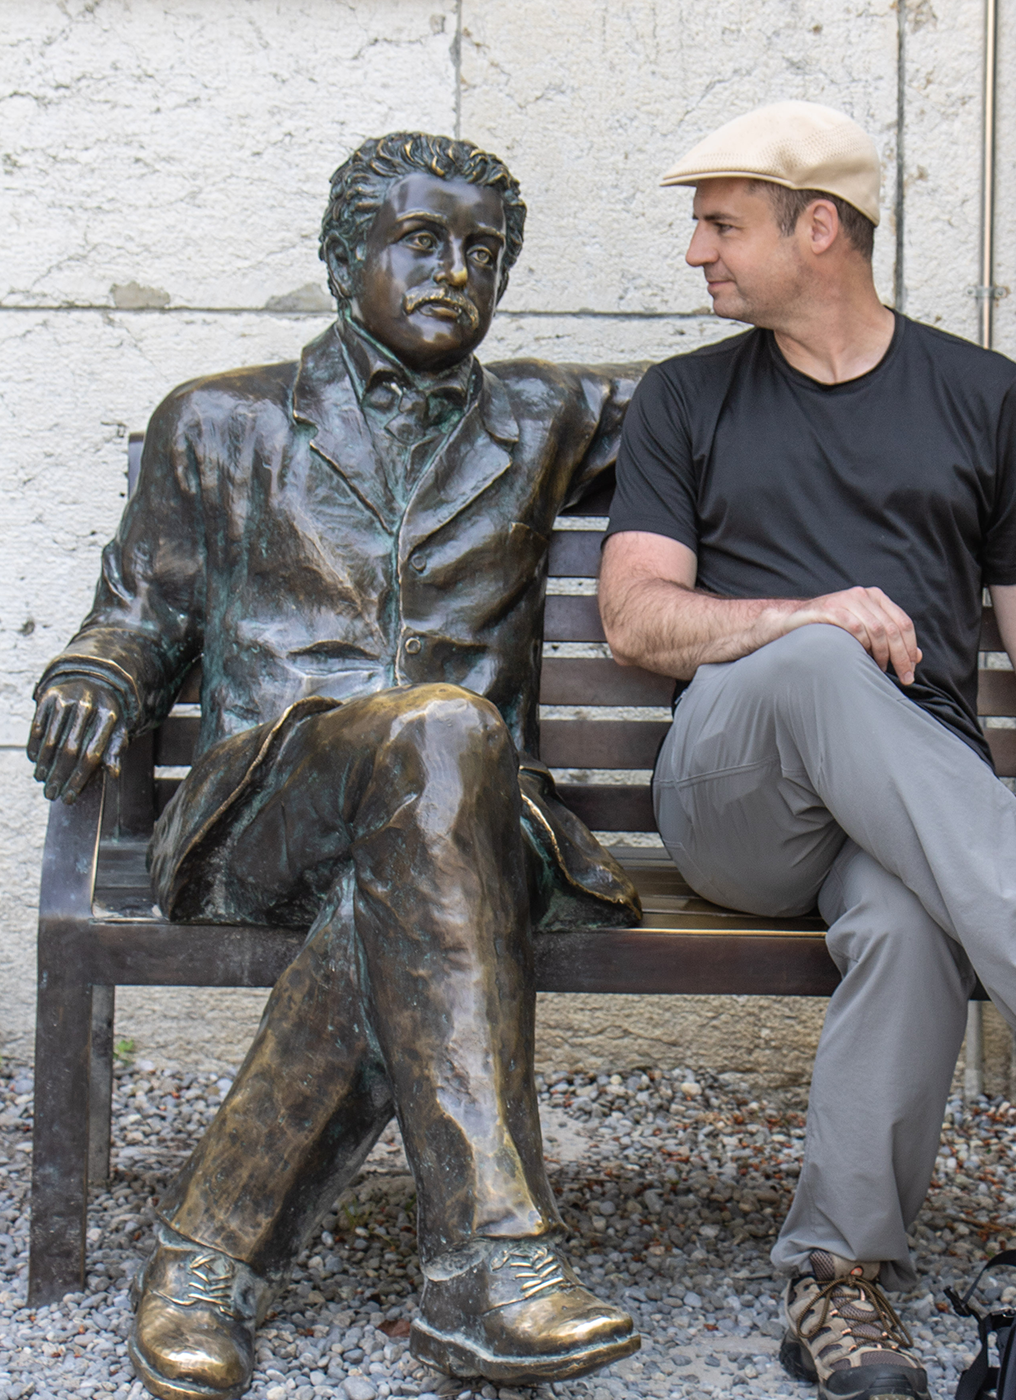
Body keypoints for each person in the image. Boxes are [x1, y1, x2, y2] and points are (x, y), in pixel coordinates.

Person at [597, 100, 1016, 1400]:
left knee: (911, 927)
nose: (695, 253)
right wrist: (797, 617)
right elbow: (635, 615)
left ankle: (836, 1282)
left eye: (719, 224)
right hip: (736, 796)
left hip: (898, 803)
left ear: (817, 228)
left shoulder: (981, 398)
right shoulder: (685, 399)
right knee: (818, 660)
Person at [28, 131, 644, 1400]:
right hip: (267, 803)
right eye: (420, 241)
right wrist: (95, 675)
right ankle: (492, 1260)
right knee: (438, 732)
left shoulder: (544, 413)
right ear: (337, 257)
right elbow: (137, 612)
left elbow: (749, 399)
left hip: (468, 834)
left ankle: (205, 1259)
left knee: (417, 833)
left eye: (483, 253)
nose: (454, 273)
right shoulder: (219, 420)